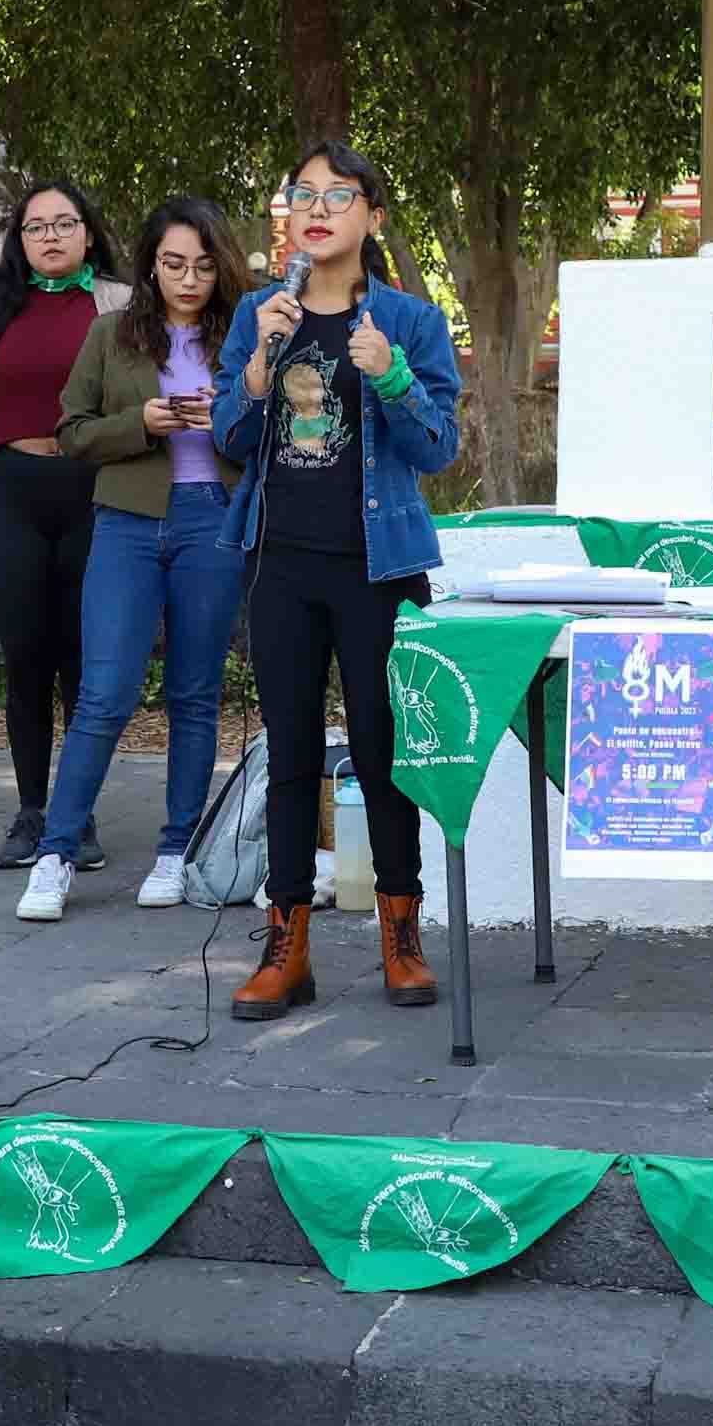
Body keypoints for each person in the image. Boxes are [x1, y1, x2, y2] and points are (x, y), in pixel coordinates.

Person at [211, 142, 463, 1017]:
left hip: (378, 566)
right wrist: (255, 369)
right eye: (302, 195)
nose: (317, 210)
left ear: (372, 217)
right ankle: (288, 945)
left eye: (339, 196)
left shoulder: (410, 321)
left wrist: (389, 374)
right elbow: (229, 439)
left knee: (384, 756)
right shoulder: (261, 312)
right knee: (289, 754)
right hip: (279, 562)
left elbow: (438, 448)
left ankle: (402, 936)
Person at [16, 195, 250, 921]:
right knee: (104, 695)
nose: (188, 279)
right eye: (174, 263)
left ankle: (176, 850)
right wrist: (141, 423)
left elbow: (271, 438)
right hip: (125, 522)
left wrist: (229, 417)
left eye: (204, 267)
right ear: (151, 264)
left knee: (193, 694)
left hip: (211, 518)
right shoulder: (112, 336)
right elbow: (72, 432)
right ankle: (54, 854)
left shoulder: (243, 339)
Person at [0, 181, 130, 868]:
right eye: (35, 226)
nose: (50, 235)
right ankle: (32, 812)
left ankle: (80, 814)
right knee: (26, 660)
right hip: (11, 490)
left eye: (65, 223)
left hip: (94, 492)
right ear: (20, 240)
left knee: (83, 660)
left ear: (89, 234)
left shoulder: (122, 306)